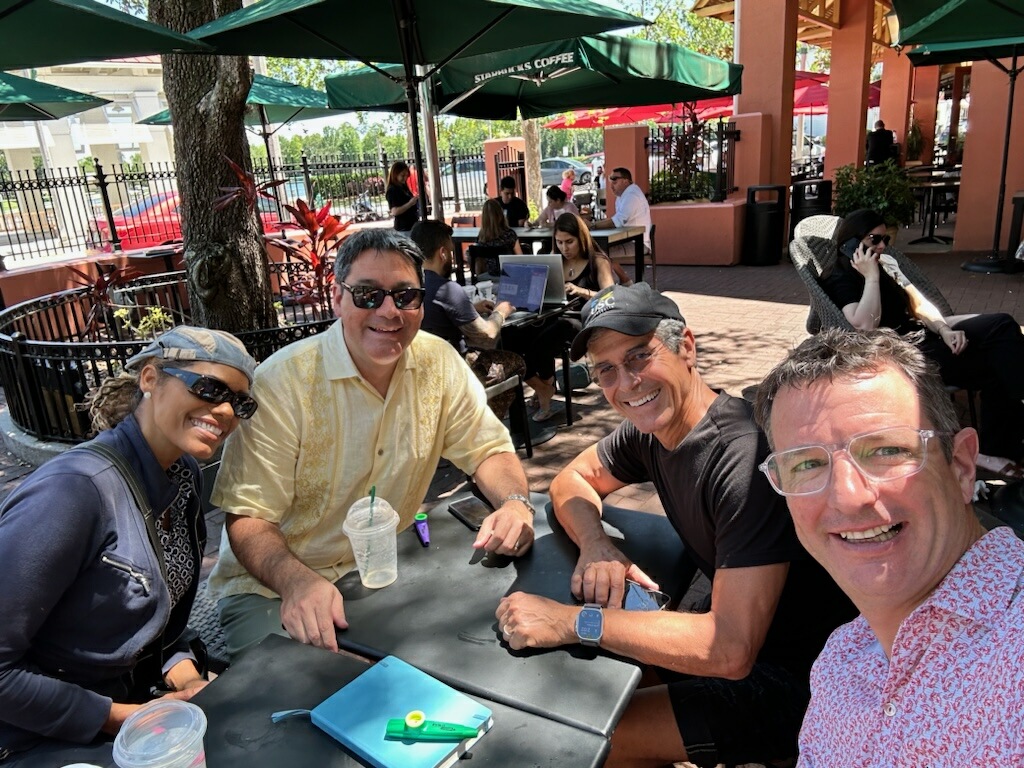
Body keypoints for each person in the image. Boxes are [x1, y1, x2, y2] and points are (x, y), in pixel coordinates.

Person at [496, 283, 855, 767]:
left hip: (805, 681)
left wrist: (569, 622)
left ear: (686, 345)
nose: (627, 384)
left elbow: (729, 649)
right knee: (612, 675)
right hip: (746, 643)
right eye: (607, 370)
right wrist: (596, 545)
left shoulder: (744, 458)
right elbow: (572, 479)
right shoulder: (652, 431)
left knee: (589, 737)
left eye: (640, 356)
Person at [209, 228, 535, 660]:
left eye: (405, 296)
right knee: (323, 698)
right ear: (337, 298)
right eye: (367, 295)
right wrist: (296, 582)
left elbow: (488, 450)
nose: (389, 311)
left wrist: (514, 503)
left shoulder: (438, 361)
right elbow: (248, 518)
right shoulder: (282, 383)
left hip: (387, 570)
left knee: (474, 660)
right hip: (273, 588)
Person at [753, 328, 1024, 766]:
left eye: (885, 451)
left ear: (960, 465)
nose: (847, 496)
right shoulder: (839, 660)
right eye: (806, 463)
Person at [0, 326, 259, 759]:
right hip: (40, 730)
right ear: (151, 378)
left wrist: (186, 677)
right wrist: (126, 717)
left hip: (137, 703)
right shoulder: (73, 493)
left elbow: (158, 623)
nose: (226, 410)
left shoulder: (182, 476)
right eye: (210, 388)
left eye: (241, 401)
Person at [822, 208, 1024, 471]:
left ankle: (998, 447)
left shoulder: (887, 264)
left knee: (1002, 325)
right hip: (899, 353)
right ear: (851, 243)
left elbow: (917, 303)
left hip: (923, 335)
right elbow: (865, 326)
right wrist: (870, 276)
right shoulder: (841, 277)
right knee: (995, 363)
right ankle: (996, 449)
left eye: (886, 240)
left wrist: (943, 329)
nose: (883, 246)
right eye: (875, 239)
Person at [503, 212, 615, 421]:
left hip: (582, 320)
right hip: (553, 316)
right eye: (560, 242)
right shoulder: (556, 262)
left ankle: (545, 391)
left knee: (544, 340)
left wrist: (582, 292)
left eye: (570, 242)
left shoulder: (597, 261)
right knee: (511, 339)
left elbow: (611, 294)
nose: (565, 248)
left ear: (581, 238)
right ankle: (543, 387)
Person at [410, 219, 513, 351]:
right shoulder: (447, 290)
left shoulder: (407, 285)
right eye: (451, 252)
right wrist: (500, 312)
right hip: (454, 365)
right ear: (443, 253)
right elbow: (487, 336)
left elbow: (437, 315)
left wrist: (470, 309)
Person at [591, 166, 652, 270]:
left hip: (638, 244)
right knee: (597, 250)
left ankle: (610, 282)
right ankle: (621, 280)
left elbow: (617, 222)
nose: (611, 185)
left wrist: (593, 226)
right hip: (627, 241)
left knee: (596, 254)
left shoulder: (632, 196)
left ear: (625, 181)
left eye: (615, 180)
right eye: (610, 180)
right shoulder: (622, 196)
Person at [474, 197, 522, 276]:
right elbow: (520, 259)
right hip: (509, 275)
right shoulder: (510, 234)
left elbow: (478, 265)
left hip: (488, 276)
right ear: (501, 214)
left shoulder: (481, 238)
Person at [385, 160, 419, 232]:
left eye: (407, 175)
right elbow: (395, 211)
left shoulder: (403, 186)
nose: (405, 178)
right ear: (395, 175)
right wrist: (410, 203)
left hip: (411, 225)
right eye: (402, 175)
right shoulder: (392, 190)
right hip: (404, 228)